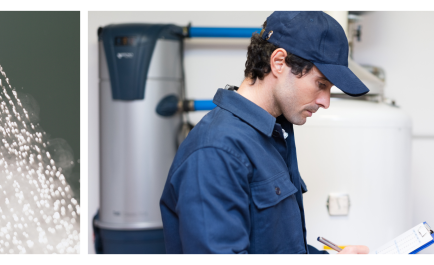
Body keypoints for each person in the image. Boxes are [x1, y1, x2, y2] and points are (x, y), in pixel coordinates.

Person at [159, 11, 371, 254]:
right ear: (279, 62)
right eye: (321, 84)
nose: (325, 102)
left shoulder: (272, 134)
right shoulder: (217, 152)